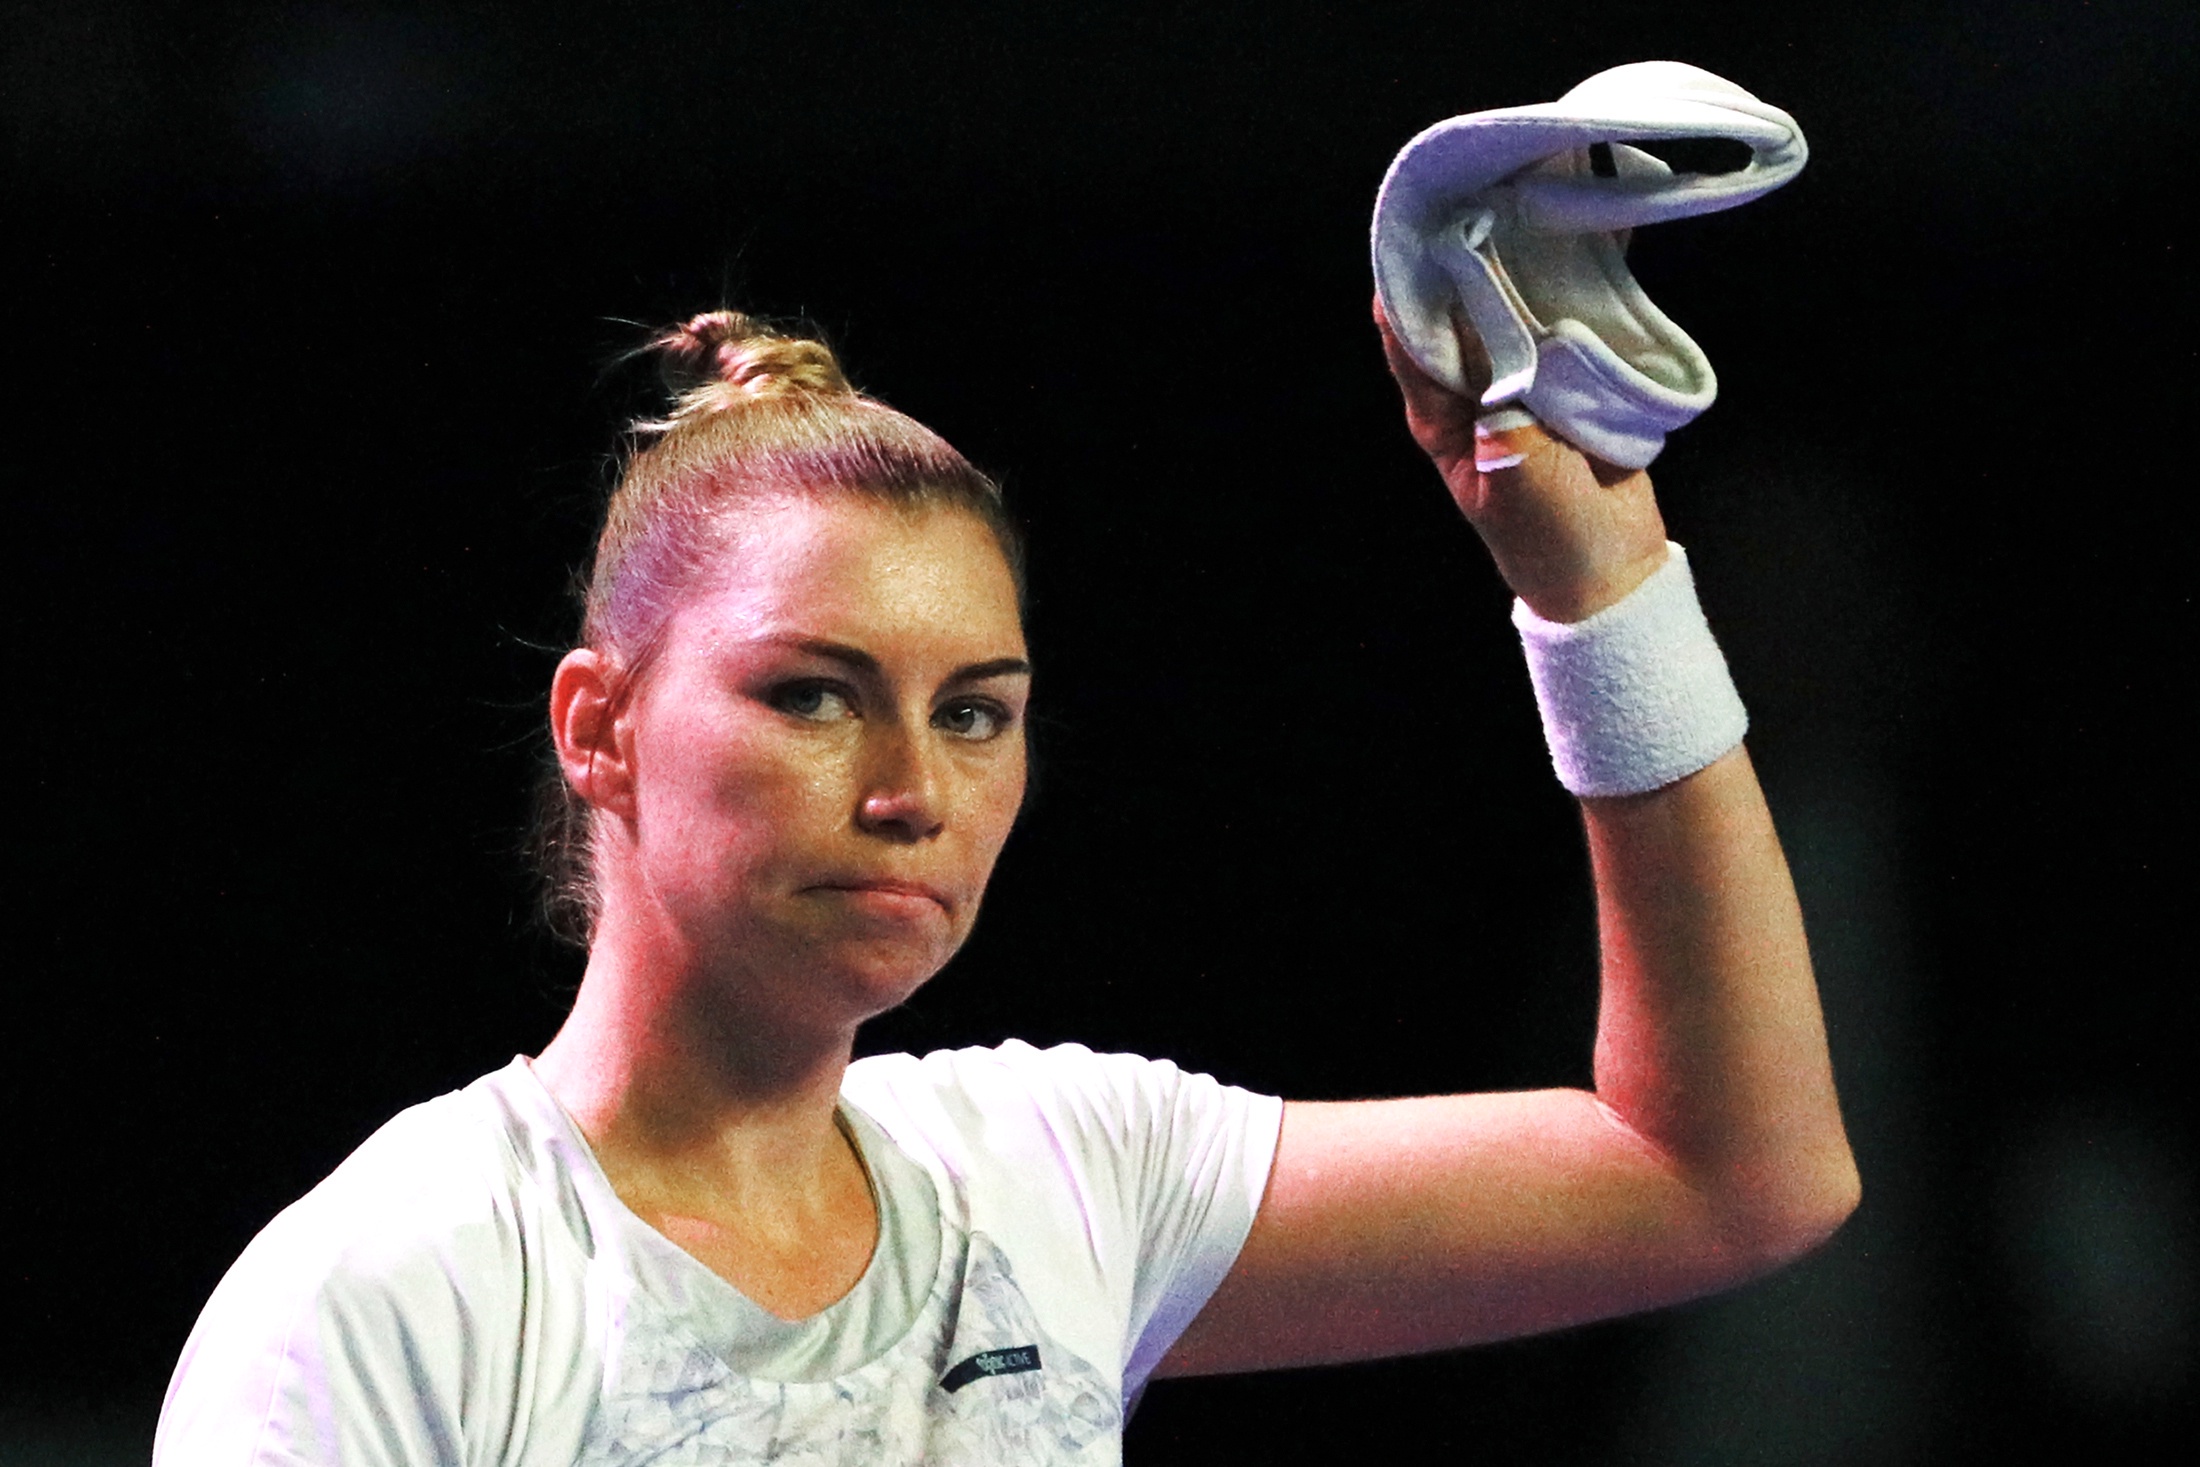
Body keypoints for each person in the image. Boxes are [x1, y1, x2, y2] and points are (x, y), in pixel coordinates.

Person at [154, 302, 1858, 1465]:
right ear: (600, 728)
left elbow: (1729, 1176)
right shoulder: (395, 1291)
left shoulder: (1058, 1178)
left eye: (975, 713)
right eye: (812, 695)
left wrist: (1600, 587)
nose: (911, 793)